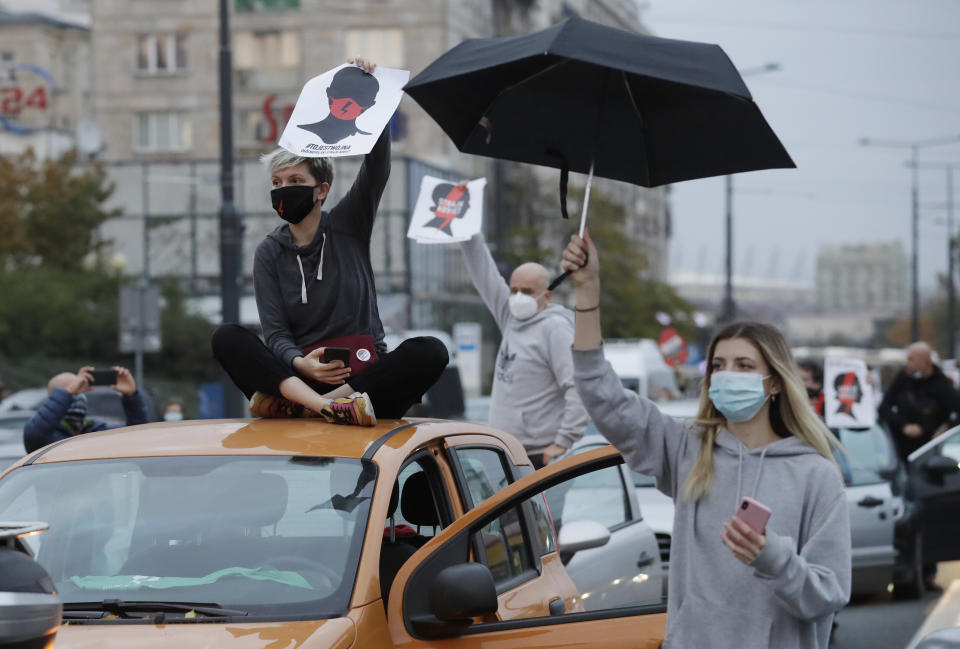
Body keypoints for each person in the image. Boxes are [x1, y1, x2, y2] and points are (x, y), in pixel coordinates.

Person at [561, 232, 850, 649]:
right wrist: (588, 291)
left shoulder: (816, 475)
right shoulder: (686, 448)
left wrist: (774, 558)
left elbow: (829, 593)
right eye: (718, 365)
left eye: (744, 365)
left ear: (774, 384)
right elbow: (600, 394)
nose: (727, 374)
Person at [212, 58, 448, 427]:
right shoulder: (269, 253)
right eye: (276, 183)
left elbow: (377, 169)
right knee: (227, 336)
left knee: (431, 351)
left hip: (363, 380)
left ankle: (315, 406)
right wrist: (300, 363)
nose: (283, 190)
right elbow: (275, 334)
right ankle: (323, 406)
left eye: (294, 180)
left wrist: (378, 94)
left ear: (321, 190)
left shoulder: (349, 225)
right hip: (302, 375)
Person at [459, 228, 588, 469]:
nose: (519, 297)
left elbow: (579, 386)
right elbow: (483, 270)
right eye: (514, 290)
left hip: (539, 457)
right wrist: (468, 230)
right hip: (504, 453)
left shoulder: (555, 329)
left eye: (527, 292)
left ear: (547, 296)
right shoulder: (510, 318)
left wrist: (563, 442)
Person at [23, 366, 149, 454]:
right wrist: (69, 392)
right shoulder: (44, 438)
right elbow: (35, 433)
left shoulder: (93, 432)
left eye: (80, 389)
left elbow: (135, 436)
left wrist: (131, 396)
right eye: (71, 390)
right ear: (55, 399)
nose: (77, 395)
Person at [879, 341, 960, 462]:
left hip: (929, 450)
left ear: (925, 361)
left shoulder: (942, 384)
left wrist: (944, 429)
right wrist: (904, 426)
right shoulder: (903, 379)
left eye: (911, 359)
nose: (908, 363)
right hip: (901, 448)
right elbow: (884, 407)